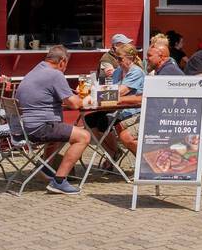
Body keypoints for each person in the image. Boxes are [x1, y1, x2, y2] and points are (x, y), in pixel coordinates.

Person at [13, 44, 90, 194]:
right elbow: (74, 103)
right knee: (84, 136)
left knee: (60, 132)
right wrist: (87, 100)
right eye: (66, 64)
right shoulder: (55, 74)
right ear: (62, 61)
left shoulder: (35, 70)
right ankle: (59, 181)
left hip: (24, 126)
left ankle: (45, 168)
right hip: (40, 126)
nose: (65, 68)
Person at [86, 42, 144, 159]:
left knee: (103, 122)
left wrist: (95, 93)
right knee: (89, 119)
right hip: (115, 108)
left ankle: (114, 154)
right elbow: (109, 89)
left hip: (131, 110)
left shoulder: (136, 72)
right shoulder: (118, 71)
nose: (117, 61)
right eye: (116, 58)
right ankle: (113, 152)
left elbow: (119, 92)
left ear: (130, 58)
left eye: (120, 58)